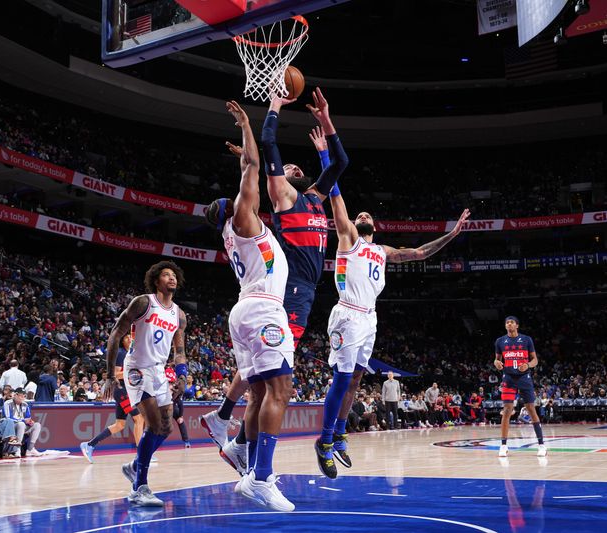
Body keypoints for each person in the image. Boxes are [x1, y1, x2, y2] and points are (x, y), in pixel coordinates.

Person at [199, 88, 348, 474]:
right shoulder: (282, 195)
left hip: (306, 287)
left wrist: (327, 124)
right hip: (288, 288)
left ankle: (236, 443)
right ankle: (235, 434)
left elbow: (341, 163)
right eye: (286, 170)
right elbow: (265, 149)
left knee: (266, 384)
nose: (290, 172)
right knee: (276, 382)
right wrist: (275, 106)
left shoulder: (315, 196)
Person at [310, 135, 470, 477]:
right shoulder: (348, 236)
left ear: (376, 226)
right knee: (341, 378)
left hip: (369, 319)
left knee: (354, 381)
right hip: (348, 313)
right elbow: (335, 195)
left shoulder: (382, 251)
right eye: (359, 213)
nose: (362, 213)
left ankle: (338, 435)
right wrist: (325, 154)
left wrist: (452, 235)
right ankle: (323, 440)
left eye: (368, 214)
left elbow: (421, 253)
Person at [204, 100, 295, 511]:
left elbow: (250, 173)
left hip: (246, 309)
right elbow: (252, 172)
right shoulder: (242, 217)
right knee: (280, 389)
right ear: (234, 208)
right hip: (262, 309)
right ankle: (262, 478)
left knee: (259, 393)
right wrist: (246, 127)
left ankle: (251, 473)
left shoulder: (235, 229)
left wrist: (247, 156)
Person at [101, 258, 189, 507]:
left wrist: (181, 375)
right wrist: (109, 375)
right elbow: (116, 334)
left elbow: (179, 350)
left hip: (159, 371)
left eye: (174, 275)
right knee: (153, 424)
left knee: (166, 427)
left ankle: (135, 465)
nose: (171, 278)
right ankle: (139, 487)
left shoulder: (179, 315)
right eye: (165, 274)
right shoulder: (143, 303)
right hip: (137, 368)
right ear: (155, 280)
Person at [80, 334, 146, 462]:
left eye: (131, 338)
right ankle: (141, 454)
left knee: (120, 424)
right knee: (139, 419)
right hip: (121, 390)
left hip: (125, 390)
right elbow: (115, 375)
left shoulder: (131, 355)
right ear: (122, 341)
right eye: (126, 338)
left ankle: (89, 445)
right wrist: (135, 371)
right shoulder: (121, 353)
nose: (130, 339)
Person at [494, 316, 546, 458]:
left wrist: (528, 365)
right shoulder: (500, 341)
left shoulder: (527, 340)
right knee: (507, 411)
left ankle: (541, 445)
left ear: (517, 325)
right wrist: (496, 363)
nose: (509, 324)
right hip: (508, 377)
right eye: (507, 322)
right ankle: (503, 445)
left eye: (511, 322)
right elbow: (497, 360)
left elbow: (535, 360)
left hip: (524, 377)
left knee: (531, 409)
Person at [3, 388, 43, 456]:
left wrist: (30, 422)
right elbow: (8, 418)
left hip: (23, 425)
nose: (23, 398)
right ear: (15, 395)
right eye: (21, 396)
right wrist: (23, 420)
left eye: (24, 396)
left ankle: (30, 449)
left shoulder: (25, 405)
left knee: (37, 425)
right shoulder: (7, 403)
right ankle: (17, 449)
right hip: (11, 427)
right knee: (21, 424)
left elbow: (28, 417)